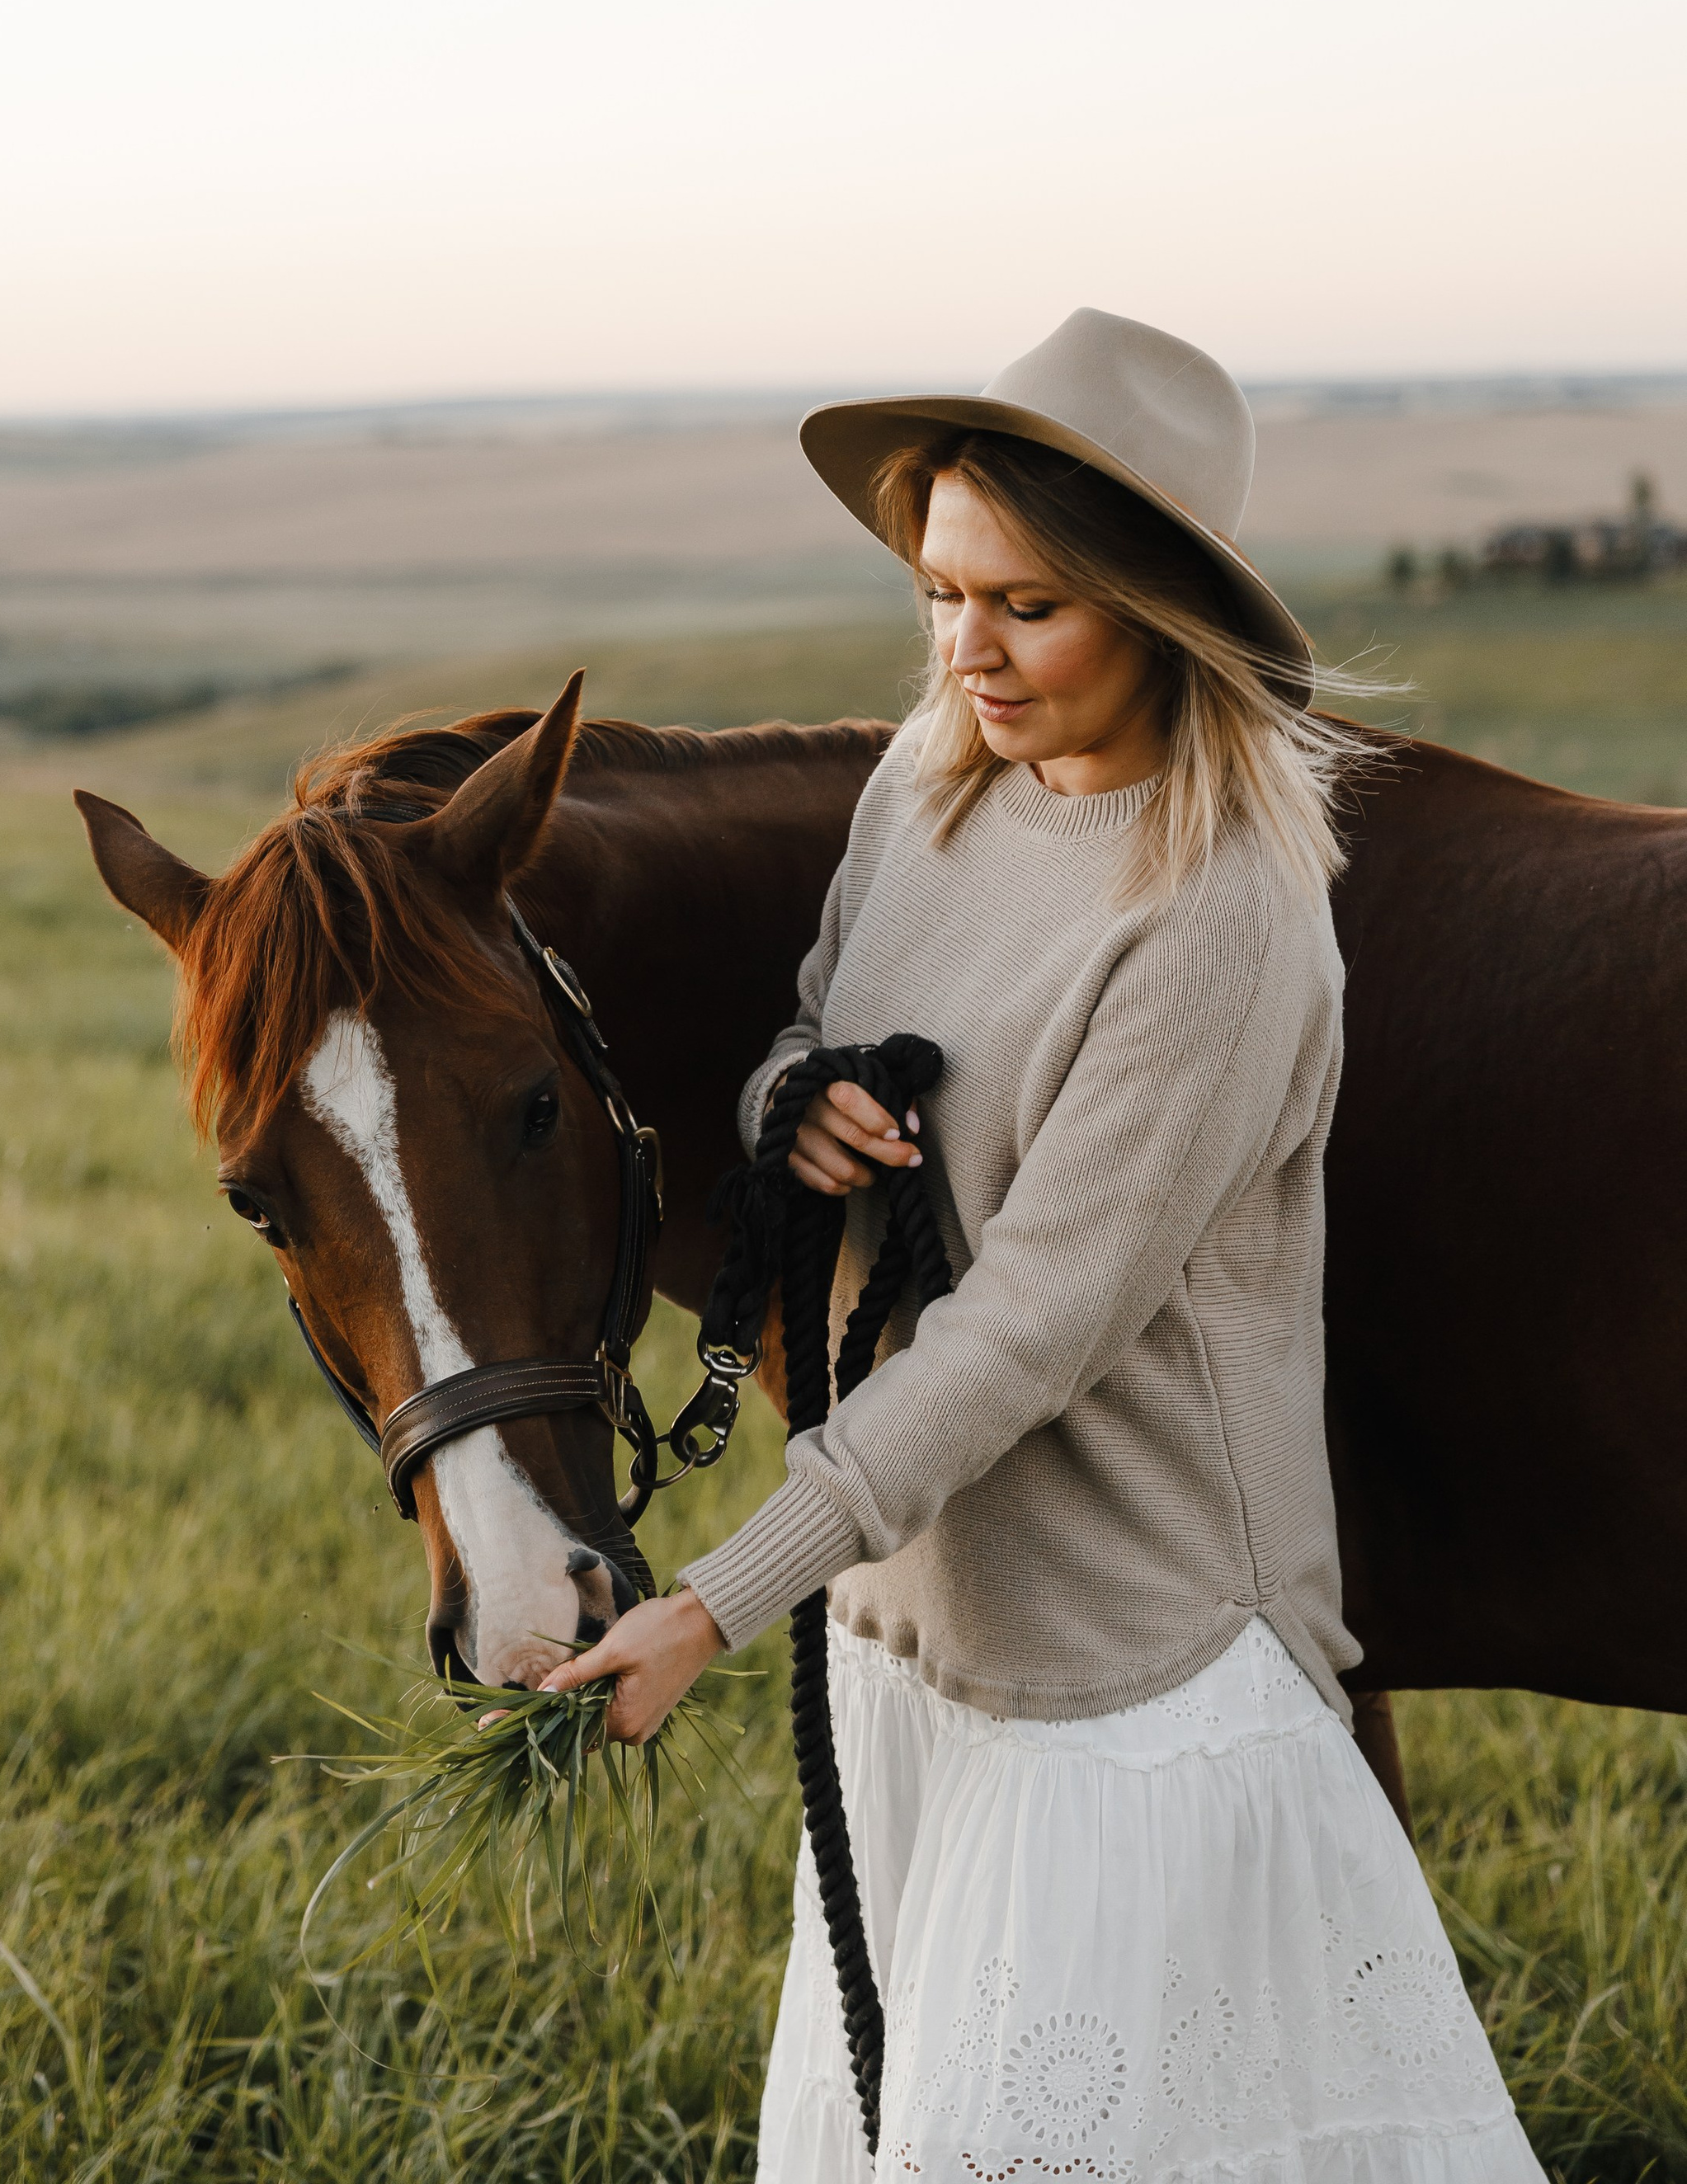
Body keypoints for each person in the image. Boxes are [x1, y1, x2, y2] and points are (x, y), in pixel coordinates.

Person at [545, 309, 1541, 2182]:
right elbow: (808, 1026)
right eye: (941, 594)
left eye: (1025, 607)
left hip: (1128, 1675)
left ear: (1158, 614)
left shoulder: (1220, 913)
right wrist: (791, 1108)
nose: (965, 652)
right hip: (912, 1628)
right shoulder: (928, 789)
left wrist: (713, 1601)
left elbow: (1031, 1330)